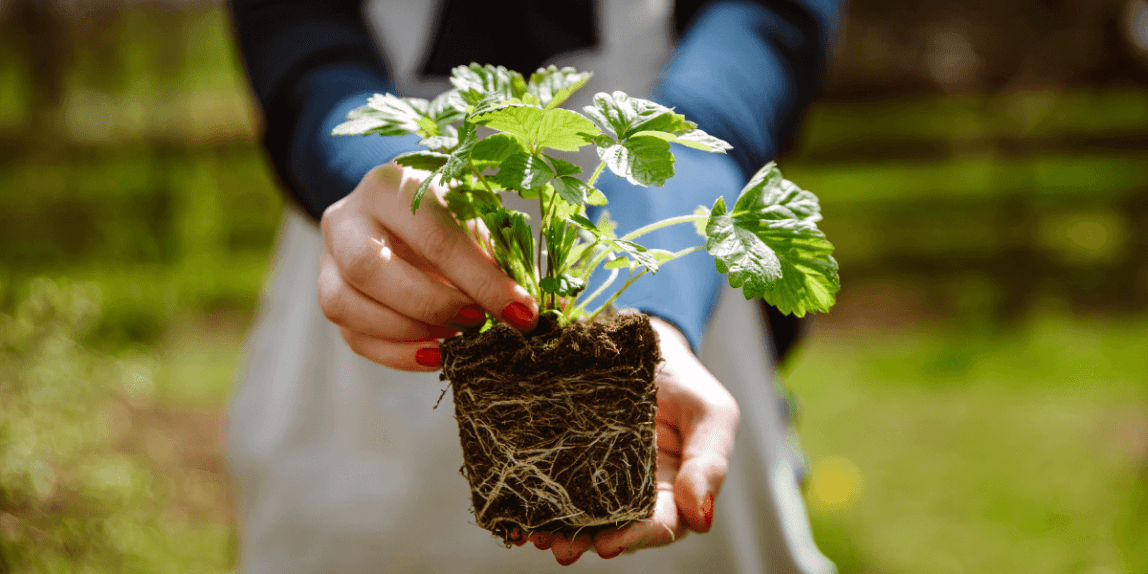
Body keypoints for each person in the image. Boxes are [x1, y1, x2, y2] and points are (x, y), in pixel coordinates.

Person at [224, 0, 841, 571]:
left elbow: (764, 26)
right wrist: (383, 179)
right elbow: (302, 48)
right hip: (373, 291)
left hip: (678, 279)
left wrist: (658, 310)